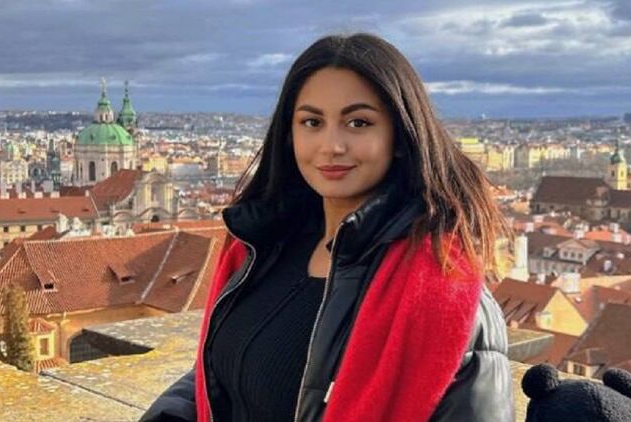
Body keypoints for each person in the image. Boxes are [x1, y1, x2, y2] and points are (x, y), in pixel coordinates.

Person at [140, 32, 514, 422]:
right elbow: (223, 373)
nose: (332, 145)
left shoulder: (446, 292)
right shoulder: (262, 247)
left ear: (400, 136)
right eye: (312, 122)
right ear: (289, 135)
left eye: (358, 122)